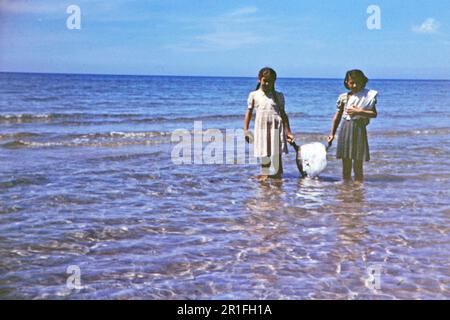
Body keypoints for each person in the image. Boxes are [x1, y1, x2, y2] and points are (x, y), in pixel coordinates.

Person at [244, 67, 294, 179]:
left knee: (276, 154)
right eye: (264, 81)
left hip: (276, 127)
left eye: (269, 82)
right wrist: (246, 130)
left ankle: (277, 177)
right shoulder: (254, 95)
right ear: (259, 79)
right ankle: (265, 175)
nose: (266, 83)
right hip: (261, 128)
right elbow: (249, 113)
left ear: (274, 82)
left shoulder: (279, 96)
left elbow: (284, 115)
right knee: (264, 151)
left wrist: (289, 132)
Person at [327, 70, 378, 181]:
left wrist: (359, 112)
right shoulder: (343, 97)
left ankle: (358, 188)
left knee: (358, 162)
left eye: (357, 82)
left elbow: (374, 114)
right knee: (346, 162)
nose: (354, 85)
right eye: (351, 82)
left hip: (359, 128)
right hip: (345, 128)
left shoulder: (367, 96)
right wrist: (332, 133)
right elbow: (337, 116)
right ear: (346, 82)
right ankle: (347, 188)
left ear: (362, 82)